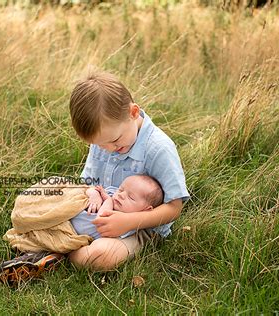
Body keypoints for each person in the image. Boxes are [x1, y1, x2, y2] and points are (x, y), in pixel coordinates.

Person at [67, 70, 190, 271]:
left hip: (139, 227)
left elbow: (174, 208)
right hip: (96, 214)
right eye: (99, 144)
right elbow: (88, 182)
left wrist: (127, 222)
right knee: (48, 202)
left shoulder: (159, 148)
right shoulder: (106, 139)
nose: (108, 149)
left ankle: (62, 252)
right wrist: (92, 193)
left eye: (115, 141)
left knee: (102, 255)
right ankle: (60, 242)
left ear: (133, 113)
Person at [0, 175, 163, 274]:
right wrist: (94, 195)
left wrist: (108, 200)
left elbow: (103, 217)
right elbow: (89, 188)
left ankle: (41, 256)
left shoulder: (127, 225)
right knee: (51, 187)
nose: (121, 196)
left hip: (67, 231)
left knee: (44, 236)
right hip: (67, 208)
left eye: (131, 197)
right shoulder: (112, 193)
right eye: (121, 189)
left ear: (145, 210)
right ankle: (42, 251)